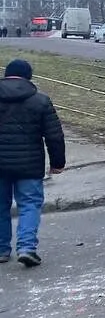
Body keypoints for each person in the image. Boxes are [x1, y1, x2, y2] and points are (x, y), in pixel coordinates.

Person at [0, 59, 65, 267]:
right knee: (29, 205)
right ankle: (27, 248)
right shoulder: (40, 101)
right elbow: (54, 136)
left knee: (0, 206)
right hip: (29, 166)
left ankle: (2, 249)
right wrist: (58, 163)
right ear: (28, 77)